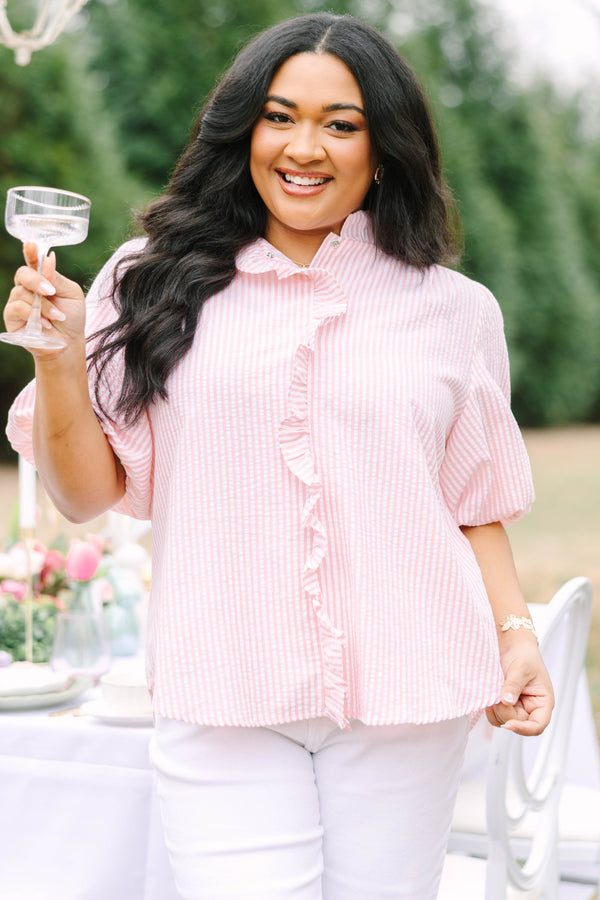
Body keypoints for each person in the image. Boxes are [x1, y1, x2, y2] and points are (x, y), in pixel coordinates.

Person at [5, 12, 553, 899]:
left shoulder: (455, 310)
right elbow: (82, 493)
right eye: (279, 115)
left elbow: (470, 502)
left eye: (342, 124)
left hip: (408, 695)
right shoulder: (150, 279)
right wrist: (60, 355)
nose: (305, 146)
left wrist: (515, 635)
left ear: (386, 148)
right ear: (243, 130)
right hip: (222, 691)